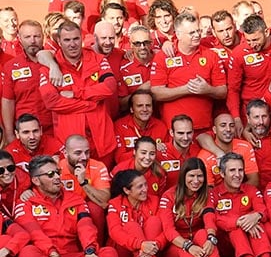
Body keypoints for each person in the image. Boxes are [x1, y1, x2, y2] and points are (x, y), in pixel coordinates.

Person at [15, 154, 118, 257]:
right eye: (50, 174)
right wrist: (52, 253)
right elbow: (35, 233)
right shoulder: (25, 203)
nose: (57, 177)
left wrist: (89, 251)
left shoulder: (75, 199)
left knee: (110, 254)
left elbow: (86, 226)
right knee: (26, 254)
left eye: (58, 172)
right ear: (36, 180)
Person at [38, 21, 117, 162]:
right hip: (70, 144)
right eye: (67, 40)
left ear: (82, 38)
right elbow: (52, 101)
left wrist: (76, 94)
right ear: (59, 42)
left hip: (102, 141)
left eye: (76, 39)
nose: (72, 44)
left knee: (103, 182)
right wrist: (90, 105)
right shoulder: (50, 67)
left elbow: (110, 87)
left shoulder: (98, 59)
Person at [158, 157, 228, 257]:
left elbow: (209, 218)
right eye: (191, 176)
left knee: (204, 234)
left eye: (200, 176)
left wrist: (211, 238)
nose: (196, 181)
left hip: (197, 243)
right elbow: (168, 230)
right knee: (182, 248)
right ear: (183, 176)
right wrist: (188, 246)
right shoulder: (169, 196)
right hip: (176, 247)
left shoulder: (205, 193)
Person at [150, 12, 227, 134]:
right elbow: (156, 93)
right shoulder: (164, 56)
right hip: (173, 132)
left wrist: (208, 90)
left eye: (198, 31)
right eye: (191, 33)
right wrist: (187, 89)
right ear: (179, 35)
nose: (197, 35)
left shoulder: (211, 56)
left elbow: (223, 91)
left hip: (204, 130)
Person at [211, 152, 271, 257]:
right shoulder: (213, 194)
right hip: (224, 246)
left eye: (240, 170)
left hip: (250, 243)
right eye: (232, 170)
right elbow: (213, 218)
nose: (238, 175)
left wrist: (256, 216)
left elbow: (263, 210)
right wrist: (239, 221)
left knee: (258, 224)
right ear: (222, 173)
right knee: (236, 228)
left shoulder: (251, 190)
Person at [106, 169, 180, 257]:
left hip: (153, 251)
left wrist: (156, 244)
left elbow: (167, 229)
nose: (145, 189)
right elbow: (114, 232)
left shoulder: (155, 201)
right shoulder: (115, 204)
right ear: (126, 190)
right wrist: (141, 245)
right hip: (123, 256)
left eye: (146, 184)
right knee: (131, 226)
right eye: (140, 187)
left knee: (154, 221)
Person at [226, 14, 271, 132]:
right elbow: (233, 89)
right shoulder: (239, 53)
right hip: (253, 117)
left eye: (255, 39)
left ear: (266, 32)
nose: (252, 44)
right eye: (248, 40)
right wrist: (236, 118)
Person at [2, 20, 56, 138]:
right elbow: (8, 101)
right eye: (27, 37)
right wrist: (10, 134)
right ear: (20, 39)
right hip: (25, 132)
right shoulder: (11, 66)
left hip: (53, 131)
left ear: (43, 37)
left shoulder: (56, 61)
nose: (32, 41)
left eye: (36, 36)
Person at [113, 90, 169, 165]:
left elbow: (166, 156)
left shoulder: (160, 126)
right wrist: (151, 150)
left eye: (148, 105)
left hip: (153, 170)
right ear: (132, 109)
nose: (145, 109)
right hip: (129, 172)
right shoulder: (119, 126)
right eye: (140, 106)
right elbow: (120, 159)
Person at [160, 114, 197, 190]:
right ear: (171, 133)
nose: (185, 138)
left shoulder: (198, 150)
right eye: (180, 133)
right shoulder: (159, 153)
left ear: (193, 132)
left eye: (189, 133)